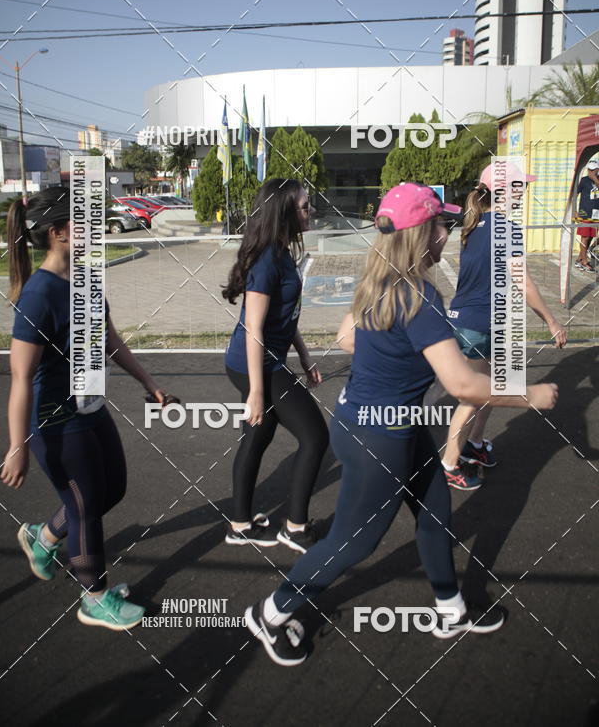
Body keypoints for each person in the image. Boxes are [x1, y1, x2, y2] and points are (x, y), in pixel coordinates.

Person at [244, 183, 559, 666]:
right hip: (380, 438)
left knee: (434, 511)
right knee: (353, 543)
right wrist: (531, 395)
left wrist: (397, 362)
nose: (447, 234)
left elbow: (347, 336)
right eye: (440, 224)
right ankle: (270, 611)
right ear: (420, 234)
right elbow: (463, 385)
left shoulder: (379, 280)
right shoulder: (420, 296)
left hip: (378, 423)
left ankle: (450, 609)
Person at [0, 186, 175, 630]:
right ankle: (93, 597)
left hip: (89, 407)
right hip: (53, 420)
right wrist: (17, 445)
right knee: (84, 505)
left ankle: (43, 538)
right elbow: (21, 377)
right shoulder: (39, 296)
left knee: (111, 489)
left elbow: (111, 339)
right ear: (59, 233)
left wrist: (149, 381)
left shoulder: (85, 278)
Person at [443, 163, 568, 490]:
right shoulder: (507, 230)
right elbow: (523, 282)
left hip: (469, 321)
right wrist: (552, 321)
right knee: (473, 395)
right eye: (519, 187)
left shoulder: (471, 226)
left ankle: (475, 444)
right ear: (504, 191)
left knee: (496, 386)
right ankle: (449, 463)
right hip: (479, 325)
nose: (522, 193)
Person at [222, 179, 328, 552]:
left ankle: (239, 525)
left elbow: (284, 317)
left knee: (258, 435)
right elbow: (254, 328)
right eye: (303, 206)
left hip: (265, 359)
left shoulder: (281, 253)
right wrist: (255, 392)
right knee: (315, 437)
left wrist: (303, 354)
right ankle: (295, 528)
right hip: (254, 363)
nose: (309, 210)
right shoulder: (267, 260)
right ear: (283, 211)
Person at [575, 160, 599, 272]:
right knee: (584, 237)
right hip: (585, 213)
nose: (591, 171)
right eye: (589, 169)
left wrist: (594, 178)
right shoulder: (584, 180)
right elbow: (575, 194)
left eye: (593, 169)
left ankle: (580, 259)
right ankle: (584, 262)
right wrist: (574, 210)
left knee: (590, 237)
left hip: (596, 214)